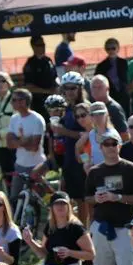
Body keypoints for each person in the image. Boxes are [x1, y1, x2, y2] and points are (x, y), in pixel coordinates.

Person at [85, 129, 133, 265]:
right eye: (107, 144)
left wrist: (118, 198)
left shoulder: (130, 169)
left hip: (124, 228)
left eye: (114, 143)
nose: (111, 147)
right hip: (102, 228)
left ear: (119, 146)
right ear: (101, 148)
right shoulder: (95, 171)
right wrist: (96, 199)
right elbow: (87, 198)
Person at [54, 72, 91, 210]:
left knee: (84, 199)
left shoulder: (85, 108)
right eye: (66, 88)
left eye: (73, 88)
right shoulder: (67, 108)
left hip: (83, 158)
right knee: (72, 198)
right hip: (69, 158)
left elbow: (89, 133)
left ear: (80, 88)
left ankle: (85, 230)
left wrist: (63, 131)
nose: (69, 92)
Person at [6, 88, 47, 208]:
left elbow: (34, 147)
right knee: (14, 198)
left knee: (37, 200)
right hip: (20, 165)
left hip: (36, 165)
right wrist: (24, 141)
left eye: (14, 100)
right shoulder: (14, 118)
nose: (12, 103)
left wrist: (17, 141)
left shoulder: (37, 119)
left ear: (23, 101)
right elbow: (9, 144)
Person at [23, 35, 58, 120]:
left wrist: (57, 86)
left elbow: (55, 77)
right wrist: (47, 91)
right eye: (39, 45)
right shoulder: (31, 64)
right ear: (33, 47)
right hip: (38, 102)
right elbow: (29, 87)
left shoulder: (48, 60)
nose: (42, 47)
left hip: (52, 100)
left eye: (43, 45)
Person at [95, 38, 131, 116]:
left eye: (113, 48)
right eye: (108, 48)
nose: (111, 51)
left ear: (118, 48)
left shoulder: (124, 63)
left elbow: (128, 79)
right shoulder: (101, 66)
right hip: (110, 97)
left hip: (124, 96)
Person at [90, 75, 129, 141]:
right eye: (94, 87)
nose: (96, 90)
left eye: (100, 87)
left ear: (107, 89)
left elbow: (125, 135)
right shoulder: (93, 107)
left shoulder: (114, 109)